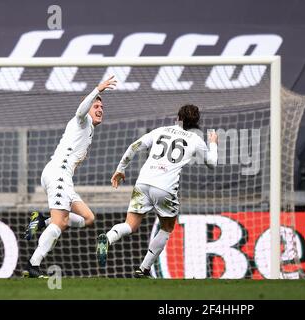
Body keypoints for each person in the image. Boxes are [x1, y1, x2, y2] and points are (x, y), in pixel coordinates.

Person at [96, 104, 218, 278]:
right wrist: (213, 144)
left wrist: (121, 168)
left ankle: (108, 238)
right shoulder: (195, 139)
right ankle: (144, 268)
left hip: (143, 183)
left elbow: (134, 146)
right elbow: (212, 164)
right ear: (196, 121)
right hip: (165, 188)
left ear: (178, 117)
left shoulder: (160, 130)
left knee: (130, 225)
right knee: (167, 227)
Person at [22, 76, 117, 278]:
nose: (99, 109)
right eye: (96, 106)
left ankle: (41, 221)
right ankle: (33, 265)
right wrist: (97, 88)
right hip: (58, 174)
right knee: (60, 223)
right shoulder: (82, 121)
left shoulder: (88, 129)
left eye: (101, 107)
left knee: (88, 218)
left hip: (63, 178)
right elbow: (80, 110)